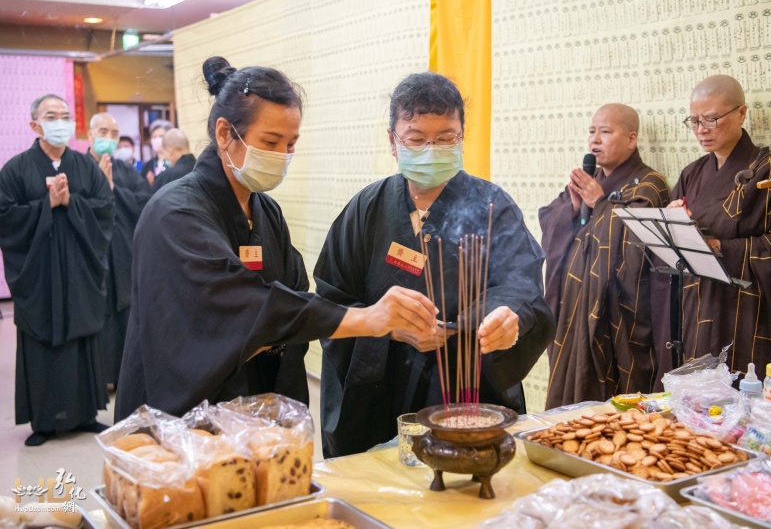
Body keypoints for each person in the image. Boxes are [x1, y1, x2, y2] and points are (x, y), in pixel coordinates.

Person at [114, 57, 437, 422]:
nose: (282, 157)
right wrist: (366, 319)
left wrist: (273, 327)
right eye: (270, 141)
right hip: (185, 416)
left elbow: (293, 292)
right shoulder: (175, 214)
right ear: (225, 134)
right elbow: (246, 306)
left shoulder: (265, 210)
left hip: (258, 404)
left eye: (290, 144)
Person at [314, 72, 556, 458]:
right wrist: (387, 327)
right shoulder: (366, 209)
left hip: (467, 388)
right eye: (416, 139)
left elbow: (521, 286)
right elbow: (330, 300)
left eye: (446, 138)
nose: (431, 149)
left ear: (462, 135)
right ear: (392, 140)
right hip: (379, 388)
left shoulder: (492, 206)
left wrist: (505, 317)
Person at [656, 75, 771, 379]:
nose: (700, 130)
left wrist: (722, 248)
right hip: (697, 308)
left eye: (711, 119)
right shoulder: (692, 173)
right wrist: (675, 224)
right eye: (693, 121)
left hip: (748, 313)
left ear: (741, 113)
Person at [539, 104, 670, 409]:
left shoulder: (651, 185)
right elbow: (549, 219)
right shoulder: (590, 179)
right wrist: (573, 207)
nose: (595, 140)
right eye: (592, 131)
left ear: (631, 139)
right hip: (574, 309)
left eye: (606, 132)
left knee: (614, 401)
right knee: (570, 404)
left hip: (615, 315)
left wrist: (600, 202)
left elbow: (636, 243)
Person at [0, 94, 113, 446]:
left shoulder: (84, 166)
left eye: (65, 115)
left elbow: (104, 209)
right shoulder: (15, 169)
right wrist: (45, 206)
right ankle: (44, 422)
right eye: (52, 116)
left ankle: (86, 414)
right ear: (35, 124)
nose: (60, 121)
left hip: (78, 270)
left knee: (81, 334)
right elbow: (6, 218)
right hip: (39, 274)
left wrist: (72, 203)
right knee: (42, 336)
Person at [86, 112, 151, 390]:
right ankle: (98, 379)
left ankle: (123, 376)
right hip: (91, 255)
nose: (109, 139)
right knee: (96, 313)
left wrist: (113, 190)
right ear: (89, 134)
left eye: (114, 134)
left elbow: (145, 203)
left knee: (124, 314)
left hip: (123, 253)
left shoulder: (127, 171)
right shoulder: (78, 167)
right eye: (103, 132)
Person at [151, 128, 196, 192]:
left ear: (169, 151)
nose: (166, 158)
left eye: (165, 154)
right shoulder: (202, 169)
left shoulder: (167, 177)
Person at [140, 119, 172, 186]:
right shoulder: (147, 166)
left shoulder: (174, 162)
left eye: (161, 136)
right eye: (154, 137)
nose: (157, 140)